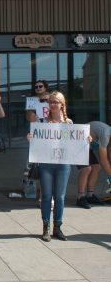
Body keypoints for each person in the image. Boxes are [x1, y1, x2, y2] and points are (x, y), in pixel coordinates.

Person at [28, 91, 75, 242]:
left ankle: (58, 227)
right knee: (47, 196)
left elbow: (73, 143)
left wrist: (85, 139)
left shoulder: (69, 123)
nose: (53, 104)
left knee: (60, 197)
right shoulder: (42, 122)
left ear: (62, 104)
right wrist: (31, 138)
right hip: (46, 163)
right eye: (51, 102)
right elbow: (36, 140)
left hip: (63, 163)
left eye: (56, 102)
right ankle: (46, 228)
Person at [76, 121, 111, 208]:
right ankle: (80, 197)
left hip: (86, 145)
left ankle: (90, 195)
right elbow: (103, 159)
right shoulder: (106, 135)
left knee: (96, 167)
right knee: (86, 169)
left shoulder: (109, 134)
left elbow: (109, 157)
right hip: (77, 143)